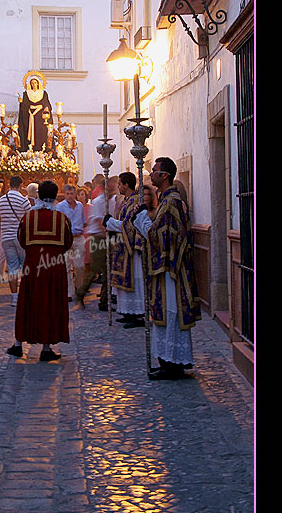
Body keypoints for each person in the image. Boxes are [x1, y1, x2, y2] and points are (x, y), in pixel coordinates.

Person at [132, 157, 202, 380]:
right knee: (168, 314)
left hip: (170, 269)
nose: (150, 175)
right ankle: (169, 361)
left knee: (171, 314)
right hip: (169, 268)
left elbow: (160, 236)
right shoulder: (166, 201)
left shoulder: (171, 202)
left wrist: (142, 219)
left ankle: (172, 364)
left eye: (154, 171)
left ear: (165, 176)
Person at [6, 180, 73, 361]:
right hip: (54, 268)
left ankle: (19, 344)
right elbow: (68, 243)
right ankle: (46, 347)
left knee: (28, 302)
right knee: (50, 304)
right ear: (55, 196)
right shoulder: (61, 219)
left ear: (38, 196)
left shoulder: (28, 218)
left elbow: (22, 241)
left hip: (33, 267)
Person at [103, 172, 145, 330]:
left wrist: (110, 222)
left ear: (126, 185)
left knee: (134, 280)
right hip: (123, 246)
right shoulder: (127, 200)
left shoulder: (135, 201)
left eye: (120, 184)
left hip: (131, 249)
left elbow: (129, 225)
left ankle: (136, 314)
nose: (118, 187)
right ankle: (127, 312)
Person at [75, 175, 118, 310]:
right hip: (99, 238)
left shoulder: (112, 200)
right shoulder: (99, 201)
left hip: (106, 237)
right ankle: (81, 292)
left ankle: (105, 299)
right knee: (95, 269)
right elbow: (101, 222)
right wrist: (110, 236)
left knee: (108, 270)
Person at [0, 176, 31, 307]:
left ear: (9, 184)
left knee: (12, 267)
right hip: (20, 237)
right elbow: (29, 218)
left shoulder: (1, 200)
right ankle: (24, 294)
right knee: (24, 266)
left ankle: (14, 298)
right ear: (21, 185)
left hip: (6, 237)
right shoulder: (23, 200)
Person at [55, 183, 86, 301]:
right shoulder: (60, 207)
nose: (69, 196)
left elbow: (83, 221)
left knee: (79, 266)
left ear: (75, 194)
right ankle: (68, 292)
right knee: (66, 266)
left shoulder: (80, 206)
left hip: (78, 238)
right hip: (66, 238)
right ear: (64, 194)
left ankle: (79, 289)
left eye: (72, 193)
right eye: (67, 194)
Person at [17, 74, 53, 152]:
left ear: (38, 83)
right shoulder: (26, 94)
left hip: (40, 118)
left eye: (35, 83)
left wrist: (46, 107)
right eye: (32, 83)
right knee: (28, 134)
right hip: (29, 117)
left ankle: (42, 151)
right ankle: (29, 150)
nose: (34, 84)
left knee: (41, 134)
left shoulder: (43, 93)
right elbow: (24, 108)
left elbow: (47, 104)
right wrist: (21, 103)